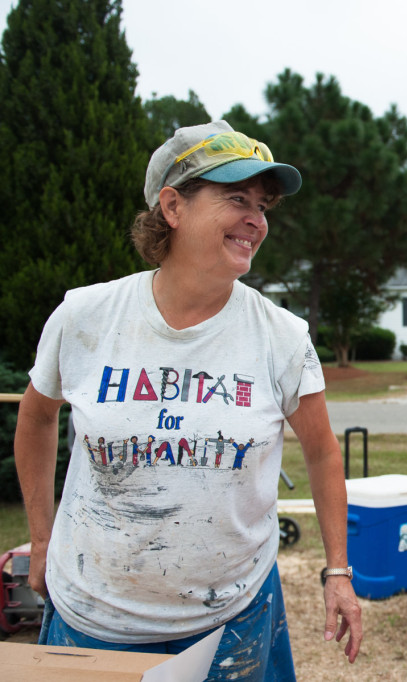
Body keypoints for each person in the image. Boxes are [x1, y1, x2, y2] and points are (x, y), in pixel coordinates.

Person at [14, 120, 362, 680]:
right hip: (94, 620)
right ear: (172, 207)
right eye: (237, 198)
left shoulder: (281, 336)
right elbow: (35, 417)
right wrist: (41, 533)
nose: (257, 219)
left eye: (264, 205)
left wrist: (337, 572)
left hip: (234, 620)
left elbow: (322, 453)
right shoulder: (86, 317)